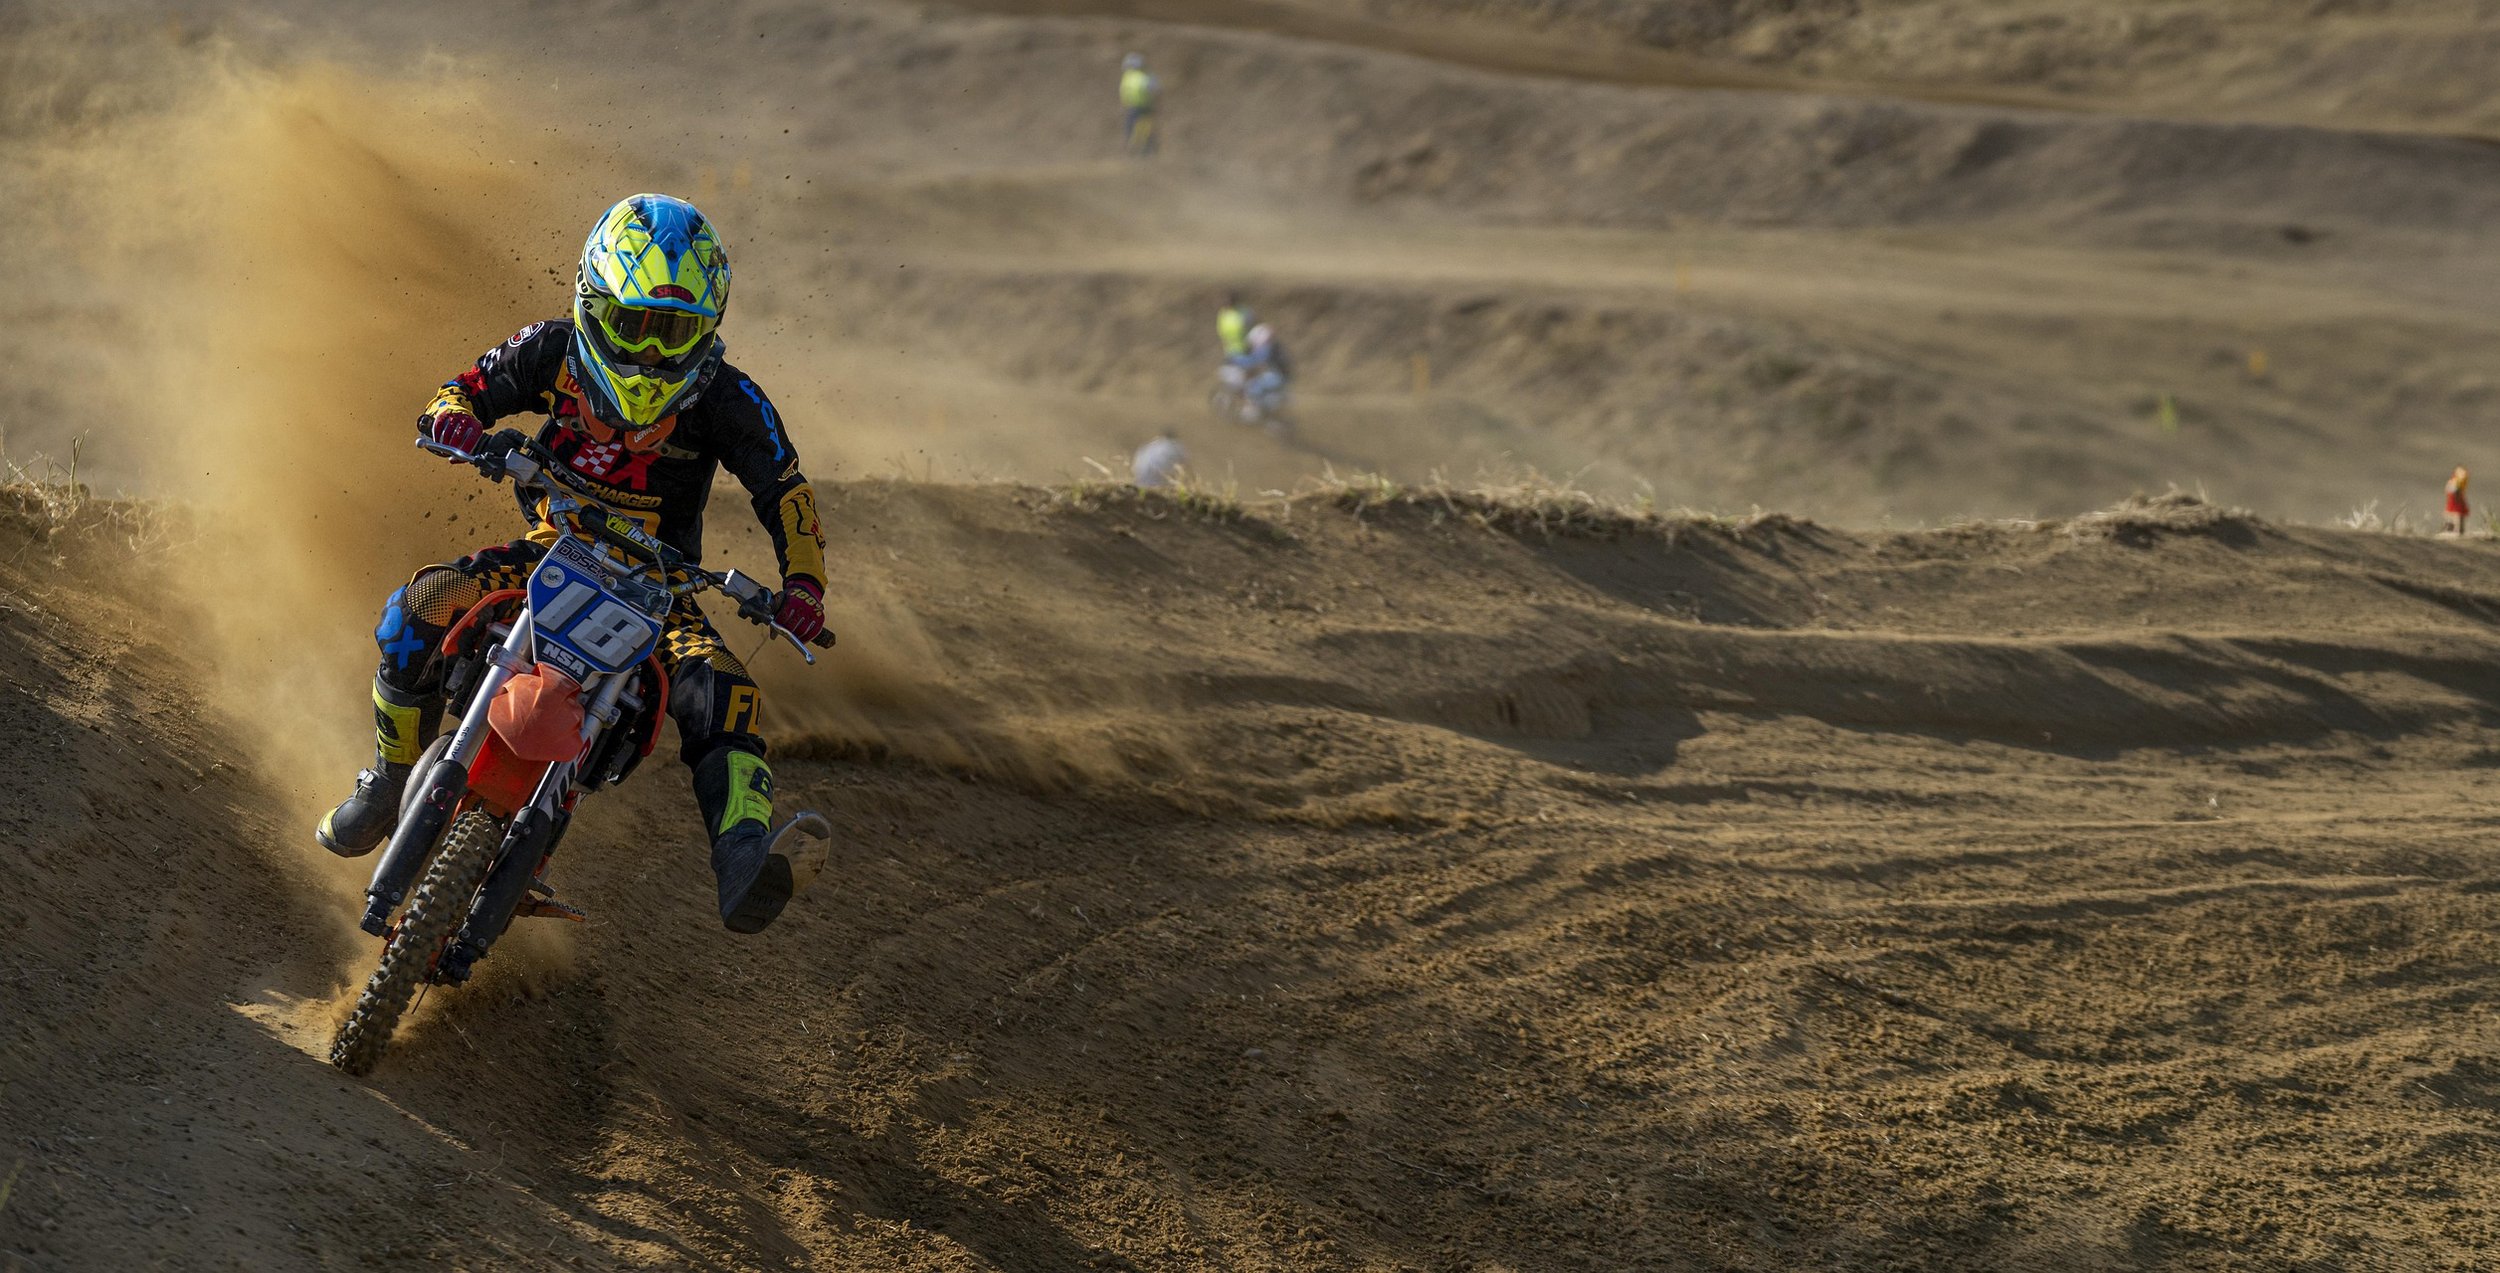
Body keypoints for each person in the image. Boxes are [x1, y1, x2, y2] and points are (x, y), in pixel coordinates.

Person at [317, 193, 832, 936]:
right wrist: (457, 423)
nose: (651, 355)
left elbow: (785, 490)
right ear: (593, 303)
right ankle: (387, 780)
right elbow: (459, 391)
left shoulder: (730, 397)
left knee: (728, 697)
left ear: (708, 329)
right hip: (548, 552)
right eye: (633, 325)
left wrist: (803, 587)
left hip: (662, 591)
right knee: (415, 610)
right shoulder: (551, 348)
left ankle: (744, 860)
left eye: (674, 333)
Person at [1119, 53, 1159, 156]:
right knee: (1143, 128)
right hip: (1144, 106)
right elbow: (1155, 89)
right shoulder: (1145, 76)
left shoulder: (1128, 77)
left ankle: (1136, 150)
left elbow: (1124, 92)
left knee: (1134, 129)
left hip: (1135, 107)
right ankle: (1143, 149)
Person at [1217, 292, 1252, 361]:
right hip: (1231, 351)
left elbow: (1252, 327)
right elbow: (1222, 333)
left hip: (1247, 349)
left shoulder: (1244, 312)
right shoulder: (1223, 314)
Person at [2447, 465, 2471, 535]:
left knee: (2458, 516)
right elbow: (2450, 490)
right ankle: (2453, 530)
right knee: (2454, 516)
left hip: (2458, 500)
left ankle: (2458, 532)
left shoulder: (2458, 480)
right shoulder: (2454, 481)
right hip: (2455, 500)